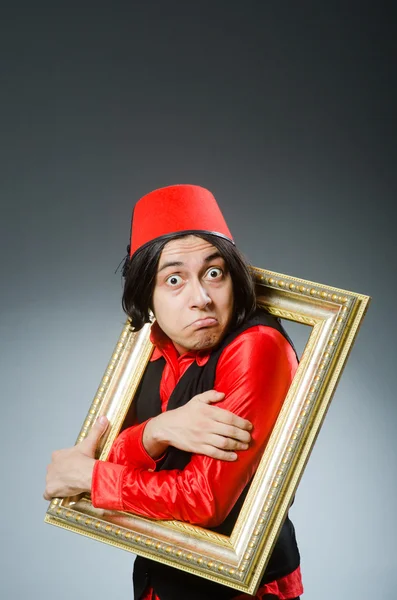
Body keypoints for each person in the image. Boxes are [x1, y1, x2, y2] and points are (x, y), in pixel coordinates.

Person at [44, 184, 303, 600]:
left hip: (239, 589)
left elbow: (204, 501)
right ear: (148, 294)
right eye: (175, 280)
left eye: (214, 273)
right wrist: (156, 432)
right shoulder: (147, 350)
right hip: (158, 578)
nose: (201, 298)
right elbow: (114, 456)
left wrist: (90, 477)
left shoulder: (256, 347)